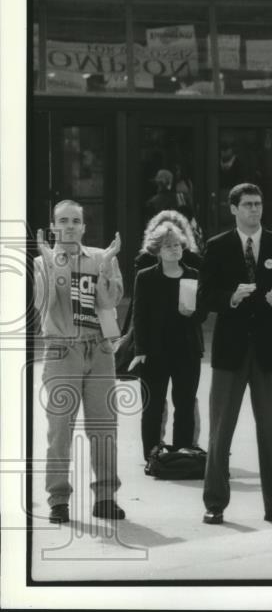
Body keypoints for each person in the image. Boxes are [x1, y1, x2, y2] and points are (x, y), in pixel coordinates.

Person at [199, 183, 272, 525]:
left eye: (258, 204)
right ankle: (214, 503)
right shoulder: (217, 246)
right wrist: (231, 297)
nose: (254, 210)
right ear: (233, 209)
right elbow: (205, 296)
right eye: (247, 205)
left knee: (271, 431)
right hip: (231, 352)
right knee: (220, 430)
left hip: (270, 351)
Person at [34, 200, 125, 523]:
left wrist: (106, 266)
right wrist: (52, 259)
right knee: (60, 429)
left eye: (76, 220)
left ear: (84, 226)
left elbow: (111, 301)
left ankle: (105, 496)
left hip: (98, 350)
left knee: (104, 427)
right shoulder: (41, 261)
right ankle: (59, 499)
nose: (70, 226)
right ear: (54, 226)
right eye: (63, 221)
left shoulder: (102, 257)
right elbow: (47, 302)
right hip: (62, 350)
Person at [130, 223, 205, 461]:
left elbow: (203, 313)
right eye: (167, 246)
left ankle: (182, 453)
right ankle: (152, 455)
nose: (174, 250)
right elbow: (138, 315)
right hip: (155, 351)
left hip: (187, 349)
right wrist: (140, 349)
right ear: (157, 251)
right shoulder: (145, 277)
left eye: (176, 245)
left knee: (184, 405)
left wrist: (192, 312)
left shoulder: (194, 274)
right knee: (153, 406)